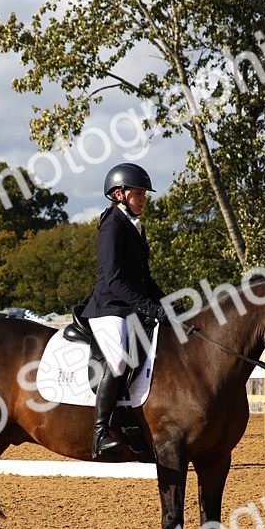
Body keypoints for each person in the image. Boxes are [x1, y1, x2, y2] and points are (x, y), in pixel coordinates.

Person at [81, 162, 169, 460]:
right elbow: (115, 279)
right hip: (109, 307)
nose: (144, 197)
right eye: (138, 192)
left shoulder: (134, 226)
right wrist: (148, 306)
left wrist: (167, 304)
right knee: (118, 360)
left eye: (145, 193)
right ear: (119, 194)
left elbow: (144, 279)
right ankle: (100, 433)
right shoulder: (111, 227)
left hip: (129, 306)